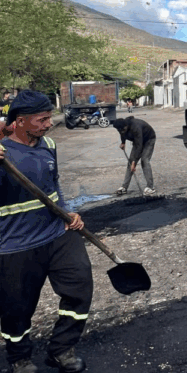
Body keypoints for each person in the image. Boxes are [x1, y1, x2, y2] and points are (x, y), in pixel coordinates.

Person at [0, 90, 92, 373]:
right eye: (41, 119)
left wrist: (68, 213)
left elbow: (54, 185)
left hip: (56, 233)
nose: (48, 123)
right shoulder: (2, 154)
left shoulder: (48, 144)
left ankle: (62, 348)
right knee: (17, 307)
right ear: (19, 122)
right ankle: (19, 358)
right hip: (15, 244)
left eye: (49, 117)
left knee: (80, 286)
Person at [113, 116, 156, 196]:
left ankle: (150, 187)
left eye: (123, 130)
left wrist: (134, 162)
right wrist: (123, 142)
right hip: (138, 142)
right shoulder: (122, 128)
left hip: (148, 140)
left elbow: (139, 145)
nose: (122, 132)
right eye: (119, 130)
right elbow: (122, 134)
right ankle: (124, 187)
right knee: (130, 163)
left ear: (126, 126)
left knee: (144, 160)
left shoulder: (136, 127)